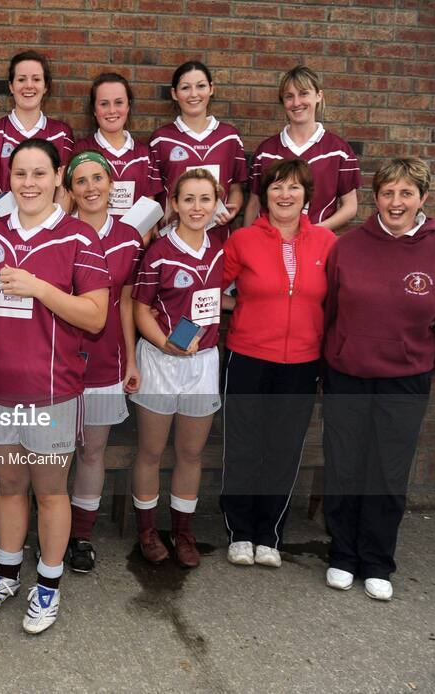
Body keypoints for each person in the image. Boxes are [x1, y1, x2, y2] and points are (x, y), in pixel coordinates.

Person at [0, 139, 110, 634]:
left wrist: (39, 288)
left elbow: (96, 316)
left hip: (53, 390)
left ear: (58, 178)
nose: (29, 182)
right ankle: (6, 574)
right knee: (9, 486)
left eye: (40, 173)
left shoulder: (80, 237)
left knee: (51, 491)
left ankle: (49, 585)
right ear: (9, 179)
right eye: (20, 173)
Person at [322, 157, 435, 601]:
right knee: (345, 466)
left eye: (406, 193)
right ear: (376, 197)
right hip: (347, 375)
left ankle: (378, 561)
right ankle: (343, 555)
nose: (396, 202)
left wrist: (428, 366)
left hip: (405, 382)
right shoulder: (347, 247)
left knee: (387, 473)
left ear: (423, 197)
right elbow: (329, 312)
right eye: (388, 193)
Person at [218, 159, 336, 569]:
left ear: (306, 196)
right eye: (276, 188)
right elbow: (207, 288)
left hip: (302, 362)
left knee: (284, 449)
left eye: (294, 188)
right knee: (244, 446)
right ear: (264, 196)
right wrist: (242, 306)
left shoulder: (326, 242)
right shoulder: (243, 240)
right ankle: (240, 532)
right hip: (248, 356)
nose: (285, 195)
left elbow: (335, 303)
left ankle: (270, 536)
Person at [130, 168, 224, 568]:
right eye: (188, 199)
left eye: (205, 199)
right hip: (161, 361)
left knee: (190, 453)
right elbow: (139, 308)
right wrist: (162, 341)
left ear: (216, 204)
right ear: (175, 204)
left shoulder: (223, 248)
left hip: (203, 364)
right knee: (151, 452)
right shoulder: (159, 252)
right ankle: (148, 530)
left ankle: (183, 531)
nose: (197, 207)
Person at [62, 150, 143, 572]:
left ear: (112, 184)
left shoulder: (130, 236)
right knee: (53, 455)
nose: (91, 188)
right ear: (70, 189)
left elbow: (126, 303)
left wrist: (131, 359)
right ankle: (52, 533)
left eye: (98, 178)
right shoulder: (56, 231)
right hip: (56, 360)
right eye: (81, 181)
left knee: (92, 452)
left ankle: (81, 536)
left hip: (104, 363)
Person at [244, 65, 359, 230]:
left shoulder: (339, 150)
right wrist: (247, 242)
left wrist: (314, 232)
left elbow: (350, 206)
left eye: (304, 93)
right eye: (289, 96)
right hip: (270, 245)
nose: (296, 103)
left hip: (317, 246)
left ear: (319, 95)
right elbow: (254, 204)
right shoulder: (266, 151)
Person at [0, 51, 74, 219]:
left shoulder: (61, 134)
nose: (29, 85)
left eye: (36, 79)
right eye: (21, 79)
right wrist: (4, 236)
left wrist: (52, 234)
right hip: (4, 230)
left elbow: (63, 194)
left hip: (47, 233)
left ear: (45, 86)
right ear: (11, 86)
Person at [148, 61, 246, 227]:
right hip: (173, 234)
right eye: (185, 88)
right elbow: (152, 194)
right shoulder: (161, 139)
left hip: (216, 233)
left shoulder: (229, 137)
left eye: (200, 86)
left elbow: (236, 187)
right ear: (174, 93)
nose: (194, 94)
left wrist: (233, 210)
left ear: (211, 88)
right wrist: (153, 225)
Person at [71, 73, 162, 217]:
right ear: (94, 110)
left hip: (134, 239)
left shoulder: (144, 154)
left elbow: (148, 211)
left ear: (128, 106)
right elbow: (72, 202)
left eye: (119, 102)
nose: (112, 110)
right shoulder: (81, 151)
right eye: (104, 104)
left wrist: (136, 240)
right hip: (92, 238)